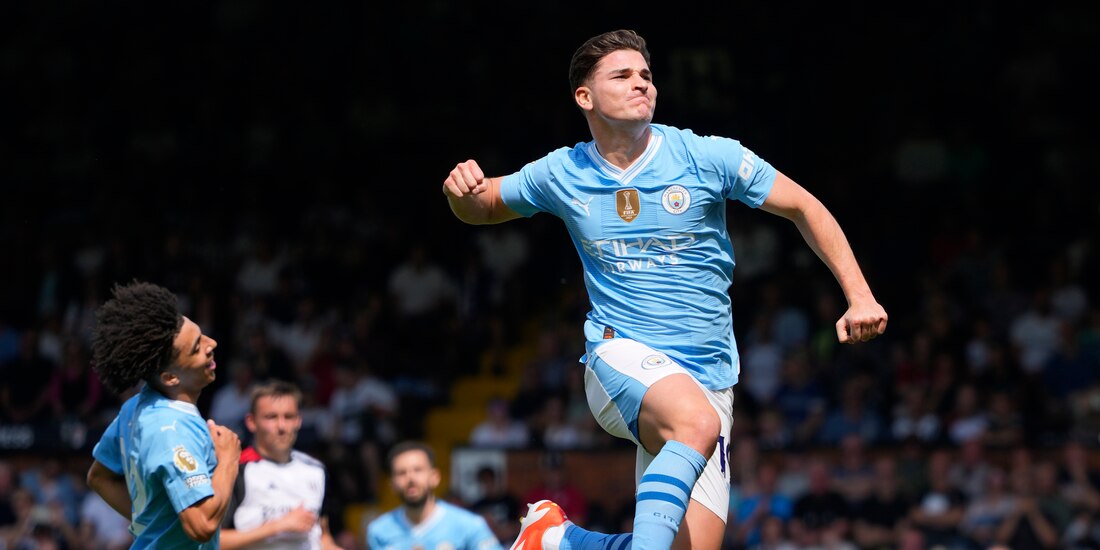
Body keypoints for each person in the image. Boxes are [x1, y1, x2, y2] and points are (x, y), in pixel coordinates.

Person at [442, 28, 888, 550]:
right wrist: (462, 194)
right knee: (692, 422)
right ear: (584, 97)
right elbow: (486, 204)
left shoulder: (708, 156)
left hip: (711, 377)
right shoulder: (563, 171)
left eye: (647, 76)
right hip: (621, 356)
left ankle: (558, 539)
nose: (642, 85)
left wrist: (860, 295)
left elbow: (804, 206)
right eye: (623, 75)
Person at [84, 280, 241, 548]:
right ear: (169, 377)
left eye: (202, 335)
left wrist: (152, 528)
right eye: (196, 347)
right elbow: (201, 525)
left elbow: (99, 477)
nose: (211, 343)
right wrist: (228, 459)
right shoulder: (174, 429)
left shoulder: (134, 408)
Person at [220, 380, 342, 549]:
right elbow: (213, 541)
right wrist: (279, 526)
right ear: (251, 422)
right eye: (271, 417)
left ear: (299, 420)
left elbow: (323, 537)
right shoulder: (236, 469)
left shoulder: (316, 469)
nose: (281, 426)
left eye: (289, 416)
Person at [366, 441, 501, 550]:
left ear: (435, 477)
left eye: (417, 470)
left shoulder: (469, 525)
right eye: (402, 473)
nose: (410, 478)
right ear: (392, 484)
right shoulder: (378, 531)